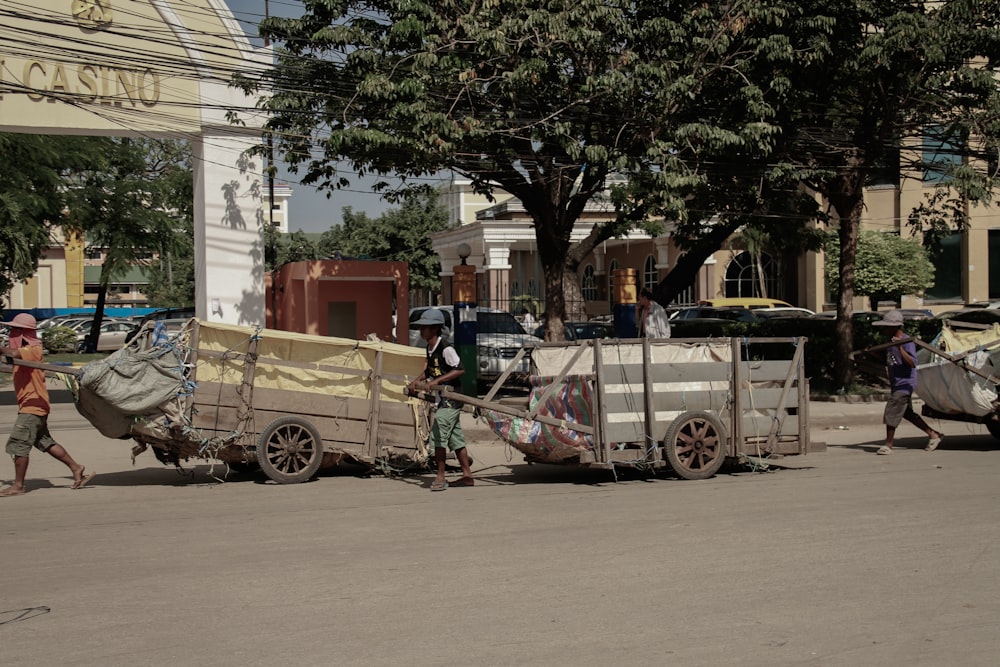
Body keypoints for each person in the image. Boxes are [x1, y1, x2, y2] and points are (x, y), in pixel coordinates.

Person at [1, 313, 95, 496]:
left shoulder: (33, 349)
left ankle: (18, 486)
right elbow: (9, 356)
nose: (11, 333)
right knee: (45, 442)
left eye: (15, 330)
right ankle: (76, 468)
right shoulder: (22, 351)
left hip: (33, 406)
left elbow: (11, 353)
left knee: (19, 442)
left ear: (24, 333)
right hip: (33, 405)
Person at [406, 308, 473, 490]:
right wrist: (417, 381)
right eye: (420, 328)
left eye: (425, 328)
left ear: (435, 329)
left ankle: (440, 477)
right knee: (455, 438)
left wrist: (436, 381)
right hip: (441, 399)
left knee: (438, 437)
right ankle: (467, 476)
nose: (421, 331)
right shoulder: (429, 348)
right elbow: (429, 370)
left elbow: (459, 369)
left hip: (451, 399)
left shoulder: (446, 348)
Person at [871, 309, 943, 455]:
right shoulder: (888, 341)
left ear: (894, 327)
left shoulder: (907, 341)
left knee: (891, 411)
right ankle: (933, 434)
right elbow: (890, 360)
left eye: (886, 327)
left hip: (905, 383)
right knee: (907, 413)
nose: (883, 329)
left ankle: (888, 445)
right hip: (896, 382)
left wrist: (899, 347)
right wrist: (874, 353)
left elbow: (912, 363)